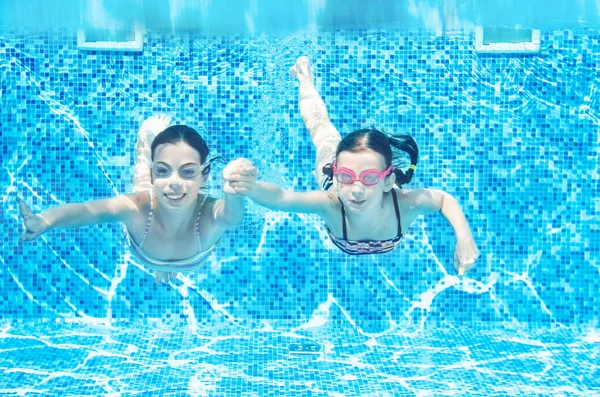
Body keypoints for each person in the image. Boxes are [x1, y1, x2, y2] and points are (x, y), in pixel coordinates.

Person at [223, 57, 480, 275]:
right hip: (329, 174)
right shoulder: (331, 204)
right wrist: (253, 188)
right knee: (320, 128)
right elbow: (282, 198)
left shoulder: (405, 204)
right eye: (346, 176)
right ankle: (304, 78)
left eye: (369, 179)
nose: (356, 190)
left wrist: (464, 238)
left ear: (387, 181)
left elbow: (445, 200)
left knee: (327, 135)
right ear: (337, 172)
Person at [18, 116, 245, 283]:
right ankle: (148, 149)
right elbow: (88, 211)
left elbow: (232, 214)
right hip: (151, 215)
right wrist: (45, 221)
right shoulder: (138, 208)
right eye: (162, 171)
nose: (174, 183)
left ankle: (156, 151)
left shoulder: (211, 213)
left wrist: (235, 189)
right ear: (153, 174)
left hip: (162, 252)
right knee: (144, 173)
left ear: (203, 176)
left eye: (187, 172)